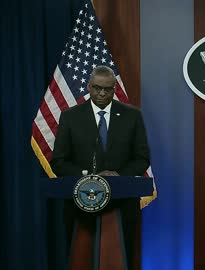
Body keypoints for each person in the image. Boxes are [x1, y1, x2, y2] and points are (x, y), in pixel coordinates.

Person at [51, 65, 150, 269]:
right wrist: (89, 178)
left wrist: (118, 175)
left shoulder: (132, 115)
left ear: (115, 88)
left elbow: (142, 158)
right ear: (89, 86)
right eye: (97, 88)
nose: (102, 93)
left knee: (121, 260)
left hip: (123, 205)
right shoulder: (71, 116)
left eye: (107, 89)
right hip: (81, 203)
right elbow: (58, 162)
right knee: (81, 259)